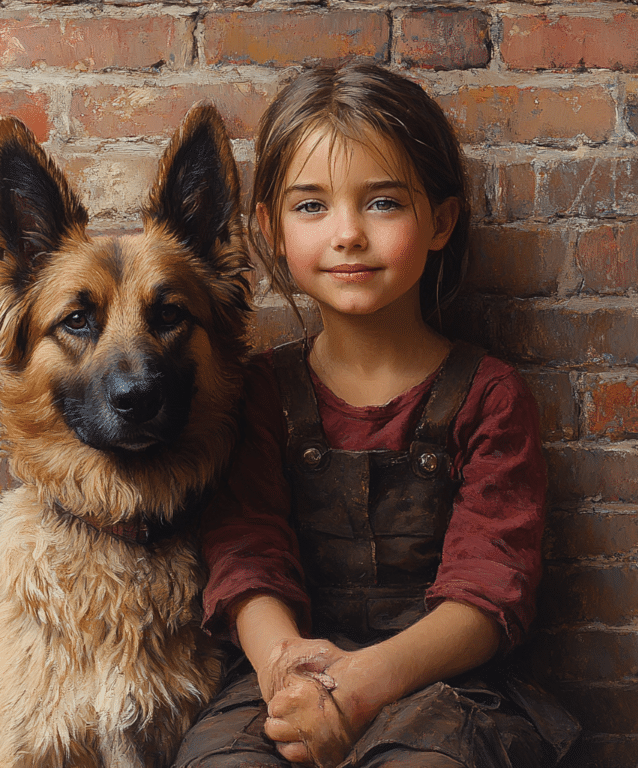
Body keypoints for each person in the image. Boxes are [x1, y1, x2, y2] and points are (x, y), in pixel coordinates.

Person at [173, 62, 579, 768]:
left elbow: (490, 591)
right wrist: (285, 674)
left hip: (446, 689)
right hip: (286, 672)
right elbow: (246, 552)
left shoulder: (488, 395)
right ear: (268, 228)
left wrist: (363, 687)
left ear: (440, 220)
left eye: (383, 203)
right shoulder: (261, 391)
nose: (348, 233)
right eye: (311, 206)